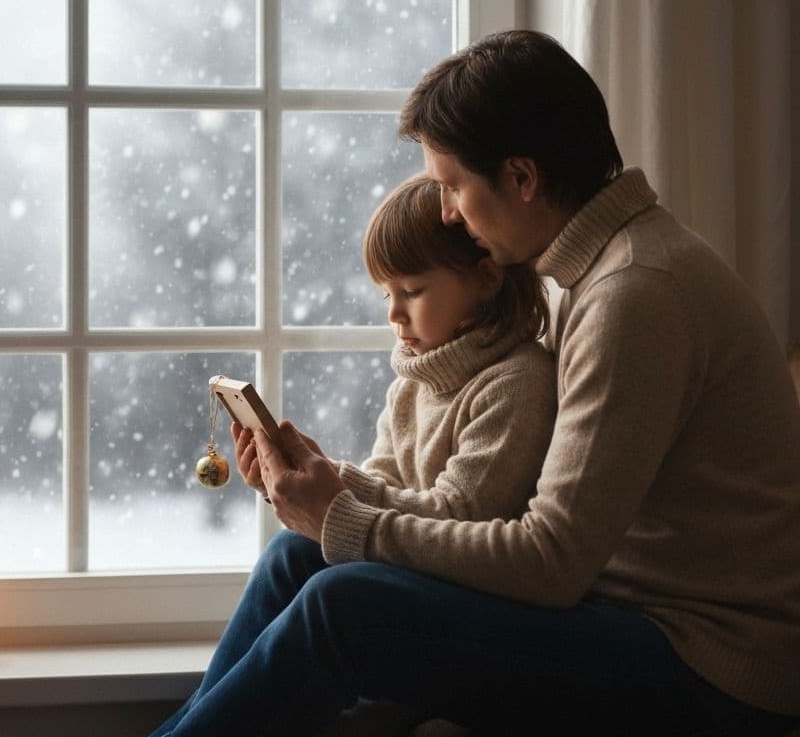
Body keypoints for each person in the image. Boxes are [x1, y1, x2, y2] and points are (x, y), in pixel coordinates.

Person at [154, 29, 800, 736]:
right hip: (627, 616)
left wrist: (347, 520)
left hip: (714, 665)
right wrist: (332, 495)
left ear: (521, 178)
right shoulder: (597, 277)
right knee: (298, 555)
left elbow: (551, 562)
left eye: (453, 186)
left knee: (343, 610)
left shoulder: (635, 294)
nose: (447, 212)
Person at [151, 170, 557, 737]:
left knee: (329, 593)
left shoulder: (517, 381)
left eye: (412, 291)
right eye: (387, 294)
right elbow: (381, 488)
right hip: (422, 577)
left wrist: (331, 489)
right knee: (291, 551)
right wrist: (303, 485)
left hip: (471, 598)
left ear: (486, 279)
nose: (394, 314)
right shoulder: (413, 384)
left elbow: (460, 518)